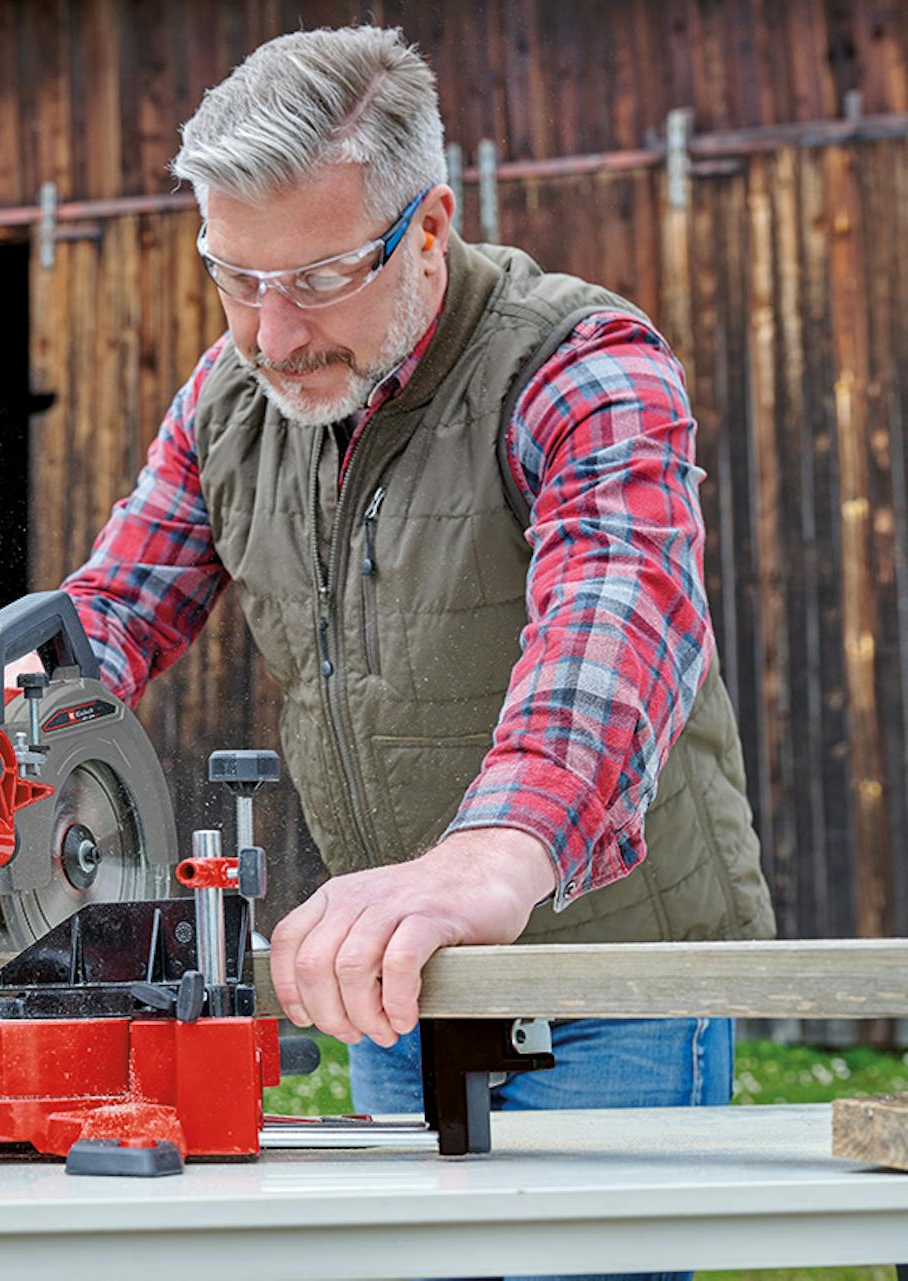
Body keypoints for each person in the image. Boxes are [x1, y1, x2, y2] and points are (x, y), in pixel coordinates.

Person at [48, 23, 775, 1241]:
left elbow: (618, 616)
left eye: (319, 280)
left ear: (430, 225)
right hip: (395, 981)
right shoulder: (232, 400)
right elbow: (113, 612)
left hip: (608, 981)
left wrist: (488, 854)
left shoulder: (579, 361)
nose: (273, 335)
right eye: (235, 277)